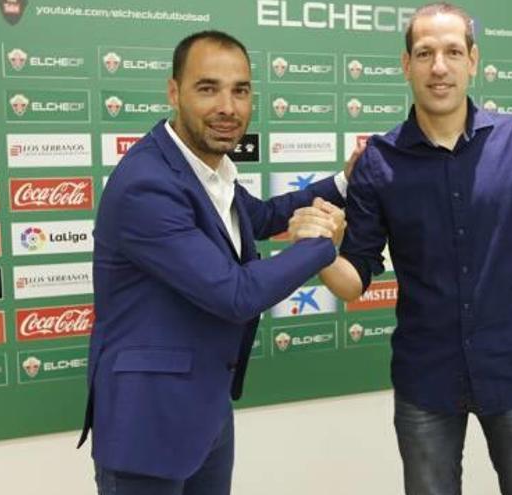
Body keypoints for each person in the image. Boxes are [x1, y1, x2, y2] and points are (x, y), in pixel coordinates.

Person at [297, 3, 512, 494]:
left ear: (473, 60)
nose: (439, 67)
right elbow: (354, 282)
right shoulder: (378, 164)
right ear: (405, 64)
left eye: (453, 52)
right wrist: (321, 251)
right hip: (425, 382)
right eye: (425, 52)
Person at [78, 30, 352, 495]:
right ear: (173, 92)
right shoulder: (147, 184)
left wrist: (346, 180)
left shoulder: (205, 168)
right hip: (148, 422)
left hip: (206, 409)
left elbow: (262, 217)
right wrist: (322, 245)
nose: (228, 106)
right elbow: (234, 293)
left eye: (240, 90)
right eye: (208, 88)